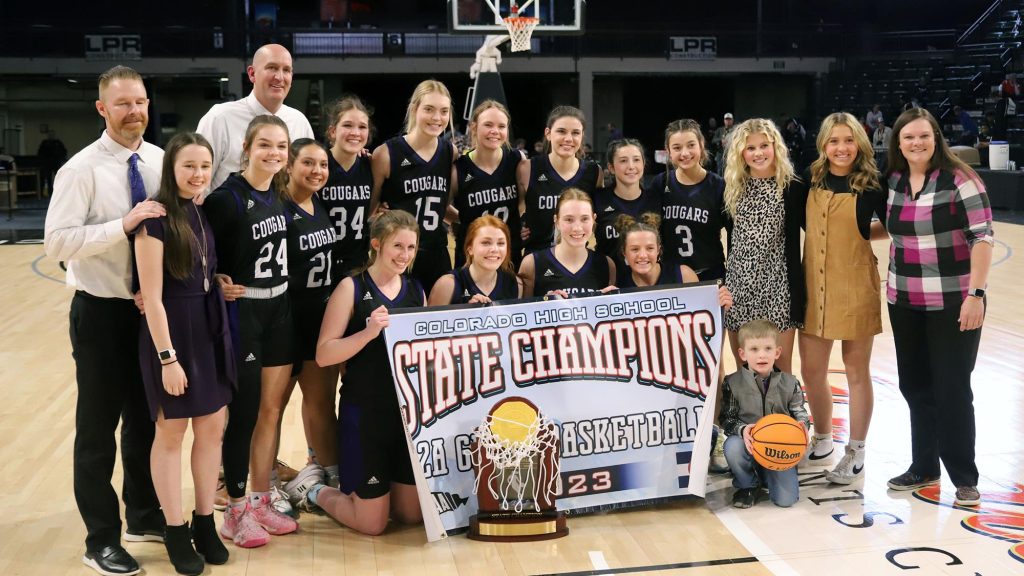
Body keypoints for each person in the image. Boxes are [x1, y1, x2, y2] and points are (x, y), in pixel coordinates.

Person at [44, 65, 165, 576]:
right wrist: (123, 225)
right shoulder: (80, 169)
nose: (134, 111)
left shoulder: (160, 161)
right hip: (100, 313)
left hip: (149, 314)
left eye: (139, 101)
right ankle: (100, 540)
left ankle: (140, 513)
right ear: (102, 109)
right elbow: (57, 243)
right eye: (122, 104)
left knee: (144, 422)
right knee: (97, 430)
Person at [132, 133, 233, 575]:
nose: (198, 174)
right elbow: (151, 298)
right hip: (172, 334)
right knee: (171, 434)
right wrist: (168, 358)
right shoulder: (153, 221)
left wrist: (219, 281)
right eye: (189, 166)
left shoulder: (199, 209)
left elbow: (201, 270)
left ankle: (204, 521)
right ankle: (175, 529)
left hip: (209, 328)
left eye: (205, 166)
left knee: (212, 428)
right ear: (172, 168)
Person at [883, 108, 993, 507]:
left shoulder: (961, 179)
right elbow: (890, 227)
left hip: (954, 302)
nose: (917, 143)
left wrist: (976, 295)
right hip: (904, 299)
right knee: (915, 385)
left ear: (936, 138)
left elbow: (982, 238)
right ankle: (923, 466)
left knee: (951, 388)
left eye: (924, 136)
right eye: (908, 137)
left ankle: (964, 476)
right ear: (898, 142)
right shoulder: (893, 180)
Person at [203, 115, 299, 548]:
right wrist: (216, 278)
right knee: (242, 414)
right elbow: (202, 251)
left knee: (270, 411)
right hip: (245, 312)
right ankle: (235, 509)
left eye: (280, 146)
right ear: (246, 147)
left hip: (280, 309)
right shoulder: (226, 198)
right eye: (265, 145)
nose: (274, 153)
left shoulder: (278, 192)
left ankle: (260, 499)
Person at [303, 209, 426, 535]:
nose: (405, 255)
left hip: (403, 417)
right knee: (372, 525)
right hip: (365, 415)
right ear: (377, 244)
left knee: (410, 516)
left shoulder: (416, 290)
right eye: (397, 246)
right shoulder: (351, 287)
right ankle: (313, 490)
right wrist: (367, 333)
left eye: (411, 248)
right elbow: (324, 355)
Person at [798, 112, 887, 479]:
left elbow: (894, 225)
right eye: (834, 141)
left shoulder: (872, 185)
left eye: (848, 140)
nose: (841, 148)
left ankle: (857, 450)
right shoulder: (809, 178)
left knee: (855, 371)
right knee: (812, 370)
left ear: (860, 144)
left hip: (855, 286)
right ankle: (823, 437)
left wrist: (863, 236)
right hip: (813, 287)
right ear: (823, 144)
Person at [276, 139, 344, 503]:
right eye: (308, 163)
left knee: (319, 401)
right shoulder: (277, 208)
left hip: (319, 318)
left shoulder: (319, 202)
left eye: (322, 164)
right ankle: (263, 481)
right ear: (289, 164)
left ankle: (332, 475)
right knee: (272, 407)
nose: (317, 171)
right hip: (286, 320)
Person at [722, 118, 806, 375]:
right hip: (739, 291)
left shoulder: (793, 187)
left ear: (775, 147)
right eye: (750, 148)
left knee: (780, 372)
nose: (758, 153)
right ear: (741, 153)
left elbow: (818, 233)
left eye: (764, 145)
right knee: (745, 373)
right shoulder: (732, 188)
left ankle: (780, 418)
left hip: (778, 290)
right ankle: (747, 417)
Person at [370, 79, 457, 292]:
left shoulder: (449, 152)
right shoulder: (386, 154)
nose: (437, 118)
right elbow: (369, 211)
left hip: (437, 253)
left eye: (444, 111)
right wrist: (380, 218)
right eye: (429, 109)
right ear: (414, 108)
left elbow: (442, 208)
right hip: (399, 256)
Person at [197, 43, 315, 190]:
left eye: (286, 70)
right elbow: (196, 184)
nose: (279, 77)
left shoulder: (299, 121)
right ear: (252, 74)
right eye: (271, 68)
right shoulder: (220, 118)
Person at [720, 319, 810, 508]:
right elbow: (727, 419)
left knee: (786, 501)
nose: (762, 355)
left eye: (768, 349)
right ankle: (747, 485)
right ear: (742, 354)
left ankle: (766, 475)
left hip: (778, 447)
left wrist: (802, 426)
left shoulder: (790, 383)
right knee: (732, 446)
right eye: (754, 349)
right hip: (749, 444)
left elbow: (799, 412)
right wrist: (743, 430)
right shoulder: (732, 383)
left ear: (777, 352)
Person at [450, 100, 526, 269]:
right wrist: (464, 220)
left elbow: (523, 201)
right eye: (488, 125)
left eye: (501, 126)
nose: (495, 131)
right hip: (471, 257)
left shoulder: (517, 160)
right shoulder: (459, 169)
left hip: (508, 253)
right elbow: (442, 207)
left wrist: (518, 224)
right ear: (474, 127)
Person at [651, 119, 730, 282]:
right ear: (668, 151)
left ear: (701, 145)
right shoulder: (660, 183)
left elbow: (734, 235)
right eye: (677, 148)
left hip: (711, 274)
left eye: (691, 145)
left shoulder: (719, 186)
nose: (685, 153)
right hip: (671, 276)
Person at [519, 106, 603, 256]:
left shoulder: (594, 172)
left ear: (582, 136)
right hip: (538, 260)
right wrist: (518, 226)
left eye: (575, 133)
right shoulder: (527, 168)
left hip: (578, 258)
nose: (568, 139)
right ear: (548, 133)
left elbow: (599, 217)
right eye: (561, 131)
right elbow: (517, 206)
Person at [615, 212, 734, 310]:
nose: (642, 255)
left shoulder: (684, 276)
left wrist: (719, 307)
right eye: (635, 249)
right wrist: (604, 298)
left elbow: (704, 318)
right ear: (624, 252)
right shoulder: (620, 289)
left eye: (650, 248)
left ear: (658, 250)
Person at [519, 188, 615, 297]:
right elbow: (523, 311)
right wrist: (545, 303)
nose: (577, 228)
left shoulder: (607, 265)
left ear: (594, 220)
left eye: (584, 219)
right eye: (569, 219)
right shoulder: (532, 264)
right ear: (557, 221)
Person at [319, 95, 374, 278]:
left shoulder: (371, 165)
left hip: (358, 262)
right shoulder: (318, 165)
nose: (355, 132)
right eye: (348, 125)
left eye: (362, 127)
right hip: (320, 261)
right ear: (332, 131)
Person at [593, 139, 660, 279]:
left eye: (636, 160)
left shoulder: (656, 199)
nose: (631, 166)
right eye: (623, 161)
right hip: (609, 283)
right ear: (611, 167)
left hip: (648, 283)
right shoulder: (598, 199)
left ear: (643, 163)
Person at [429, 215, 522, 305]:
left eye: (501, 243)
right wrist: (466, 313)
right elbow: (430, 320)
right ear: (470, 249)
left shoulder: (516, 284)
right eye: (486, 243)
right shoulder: (447, 285)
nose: (495, 249)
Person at [37, 130, 68, 195]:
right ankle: (50, 192)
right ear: (48, 136)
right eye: (50, 135)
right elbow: (40, 153)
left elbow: (64, 151)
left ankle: (58, 191)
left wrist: (62, 158)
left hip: (56, 162)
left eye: (52, 134)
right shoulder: (44, 143)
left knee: (58, 177)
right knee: (48, 179)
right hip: (47, 163)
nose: (51, 136)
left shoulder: (58, 142)